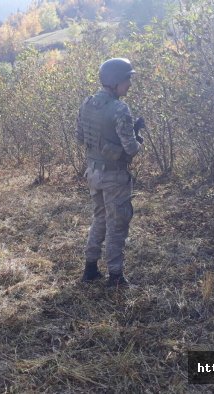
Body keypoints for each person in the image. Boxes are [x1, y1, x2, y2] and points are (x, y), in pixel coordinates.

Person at [75, 58, 145, 288]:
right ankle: (115, 277)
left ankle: (90, 268)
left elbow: (81, 137)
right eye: (127, 79)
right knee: (118, 224)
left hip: (93, 172)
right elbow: (131, 149)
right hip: (114, 176)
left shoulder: (87, 103)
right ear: (115, 82)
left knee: (100, 219)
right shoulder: (120, 109)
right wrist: (137, 137)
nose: (129, 84)